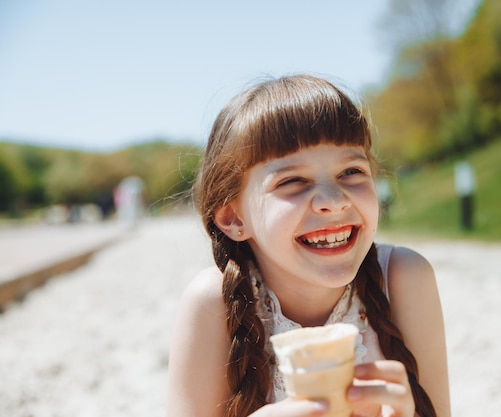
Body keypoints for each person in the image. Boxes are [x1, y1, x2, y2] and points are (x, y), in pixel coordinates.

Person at [167, 74, 450, 417]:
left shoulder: (404, 278)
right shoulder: (213, 302)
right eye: (293, 181)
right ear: (234, 218)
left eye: (351, 172)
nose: (333, 201)